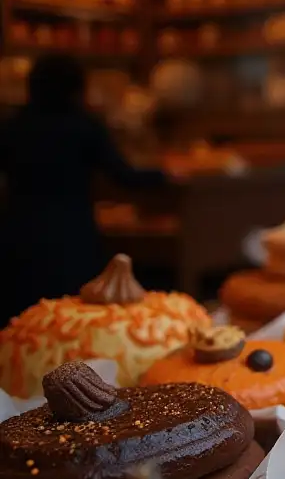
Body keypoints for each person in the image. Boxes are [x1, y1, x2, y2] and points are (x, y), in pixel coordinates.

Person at [0, 54, 169, 323]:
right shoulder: (84, 126)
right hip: (71, 235)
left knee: (22, 320)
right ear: (77, 88)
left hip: (19, 233)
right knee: (74, 319)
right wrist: (166, 174)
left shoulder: (12, 125)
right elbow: (125, 176)